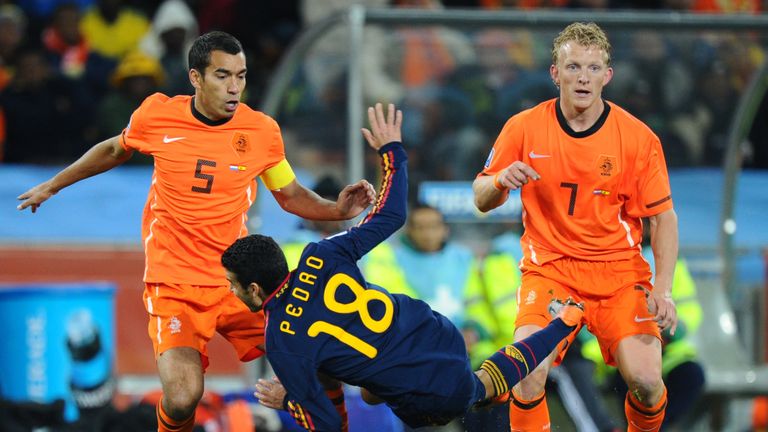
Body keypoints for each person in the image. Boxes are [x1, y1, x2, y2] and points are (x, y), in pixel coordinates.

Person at [17, 31, 376, 432]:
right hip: (174, 284)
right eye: (223, 76)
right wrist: (54, 184)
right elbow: (115, 149)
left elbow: (289, 194)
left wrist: (336, 209)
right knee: (184, 396)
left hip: (240, 284)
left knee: (323, 356)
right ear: (196, 77)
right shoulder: (157, 115)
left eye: (241, 76)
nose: (234, 87)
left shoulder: (261, 131)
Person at [221, 103, 585, 431]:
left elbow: (329, 425)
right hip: (435, 331)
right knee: (358, 383)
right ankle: (540, 343)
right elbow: (393, 215)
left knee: (475, 387)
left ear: (255, 289)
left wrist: (286, 400)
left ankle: (560, 326)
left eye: (234, 285)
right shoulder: (321, 254)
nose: (232, 291)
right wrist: (392, 151)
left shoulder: (281, 341)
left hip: (426, 392)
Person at [473, 22, 679, 432]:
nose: (583, 77)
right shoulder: (524, 127)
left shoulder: (637, 138)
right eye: (572, 67)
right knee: (527, 375)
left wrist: (664, 288)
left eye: (593, 68)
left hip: (619, 274)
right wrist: (498, 182)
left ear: (608, 76)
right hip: (550, 270)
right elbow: (481, 198)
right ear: (555, 73)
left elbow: (663, 217)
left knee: (646, 383)